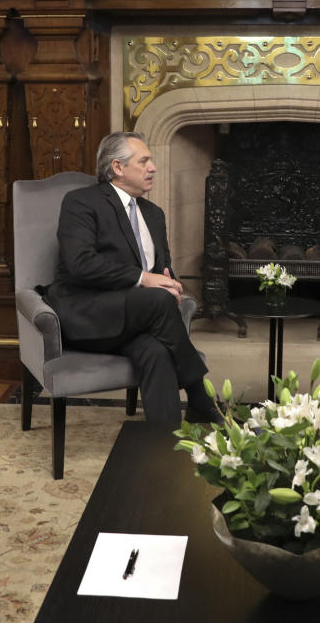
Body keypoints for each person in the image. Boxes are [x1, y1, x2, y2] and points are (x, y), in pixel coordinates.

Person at [43, 131, 218, 423]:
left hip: (136, 318)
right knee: (159, 301)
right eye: (144, 161)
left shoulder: (154, 214)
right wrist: (145, 279)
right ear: (117, 167)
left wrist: (168, 278)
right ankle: (201, 399)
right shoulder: (81, 202)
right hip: (89, 314)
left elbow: (162, 268)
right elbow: (80, 264)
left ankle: (166, 445)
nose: (153, 168)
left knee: (157, 352)